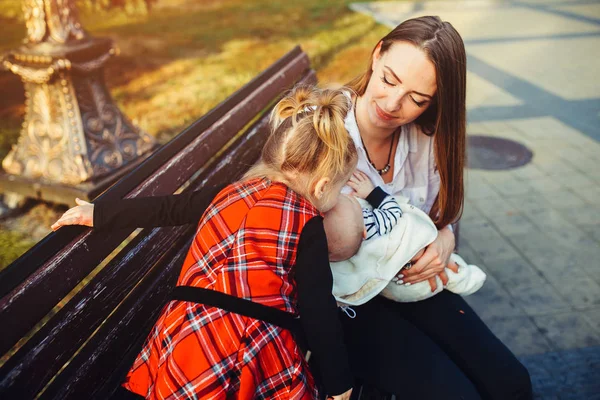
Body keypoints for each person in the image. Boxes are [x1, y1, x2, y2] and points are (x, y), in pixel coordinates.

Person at [51, 86, 357, 400]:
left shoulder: (228, 192)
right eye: (339, 190)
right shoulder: (307, 223)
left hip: (182, 335)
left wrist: (98, 213)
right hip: (246, 349)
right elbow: (317, 307)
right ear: (321, 187)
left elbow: (168, 208)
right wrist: (339, 383)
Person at [334, 15, 533, 399]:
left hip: (409, 284)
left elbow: (440, 214)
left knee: (511, 383)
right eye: (390, 79)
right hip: (346, 301)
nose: (393, 104)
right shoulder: (325, 128)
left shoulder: (425, 136)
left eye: (417, 99)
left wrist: (444, 238)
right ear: (377, 54)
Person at [323, 170, 486, 305]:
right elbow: (393, 210)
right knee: (445, 272)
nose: (351, 198)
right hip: (416, 265)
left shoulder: (341, 249)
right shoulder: (373, 222)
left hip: (390, 286)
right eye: (351, 204)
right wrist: (372, 193)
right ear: (364, 231)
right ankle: (465, 278)